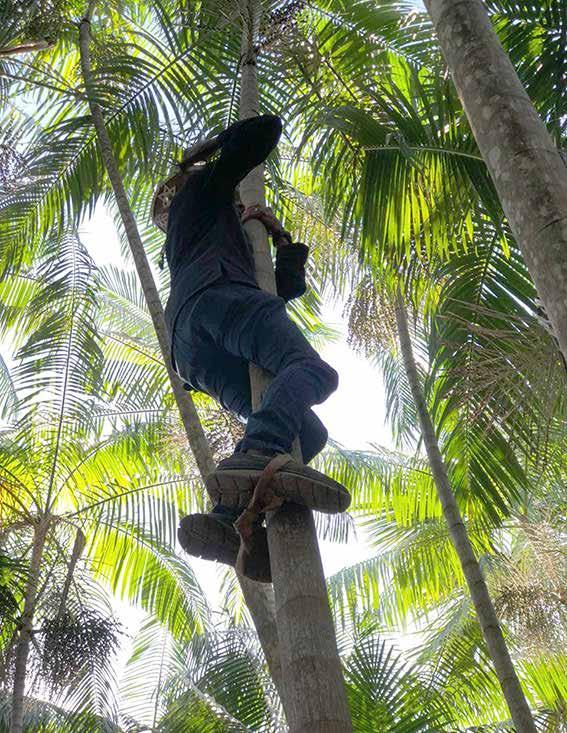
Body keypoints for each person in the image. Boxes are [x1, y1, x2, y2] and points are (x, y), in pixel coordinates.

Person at [152, 114, 350, 582]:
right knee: (311, 370)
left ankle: (228, 519)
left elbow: (280, 289)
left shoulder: (211, 235)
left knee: (310, 434)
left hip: (193, 347)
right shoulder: (200, 196)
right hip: (217, 297)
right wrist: (199, 158)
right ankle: (259, 449)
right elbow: (264, 130)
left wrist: (279, 238)